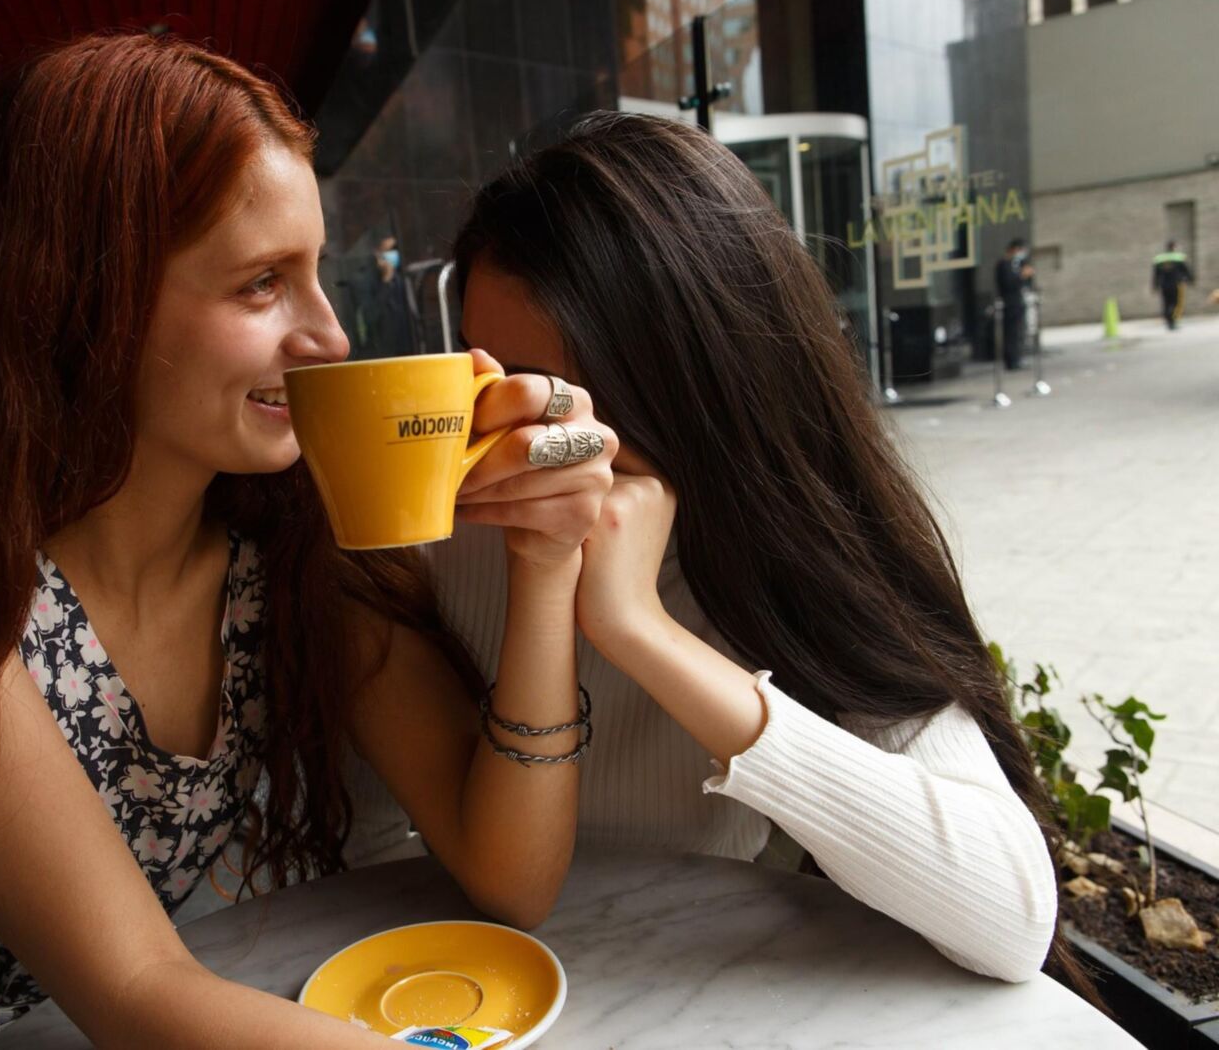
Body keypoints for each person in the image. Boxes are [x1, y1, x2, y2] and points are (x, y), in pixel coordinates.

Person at [0, 33, 617, 1049]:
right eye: (262, 284)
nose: (330, 335)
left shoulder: (291, 536)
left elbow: (508, 874)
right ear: (80, 296)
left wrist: (546, 558)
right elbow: (131, 987)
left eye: (318, 273)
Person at [349, 111, 1088, 991]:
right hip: (473, 999)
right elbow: (455, 873)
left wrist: (639, 628)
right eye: (489, 374)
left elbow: (1010, 915)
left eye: (564, 390)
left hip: (704, 999)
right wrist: (544, 571)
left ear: (688, 383)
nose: (518, 424)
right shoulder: (427, 544)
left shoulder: (782, 547)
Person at [994, 237, 1034, 368]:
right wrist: (1022, 275)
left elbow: (1026, 281)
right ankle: (1011, 360)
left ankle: (1018, 357)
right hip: (1009, 303)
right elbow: (1008, 283)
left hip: (1019, 301)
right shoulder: (1003, 264)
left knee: (1019, 331)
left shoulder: (1018, 264)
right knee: (1011, 333)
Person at [1152, 240, 1194, 330]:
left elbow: (1155, 274)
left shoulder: (1159, 259)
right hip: (1175, 284)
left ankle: (1168, 320)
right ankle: (1172, 320)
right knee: (1175, 303)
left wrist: (1154, 285)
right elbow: (1186, 270)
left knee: (1166, 303)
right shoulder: (1179, 257)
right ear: (1174, 247)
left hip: (1164, 285)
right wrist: (1190, 280)